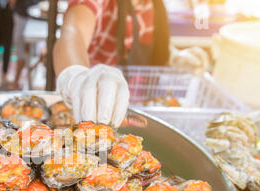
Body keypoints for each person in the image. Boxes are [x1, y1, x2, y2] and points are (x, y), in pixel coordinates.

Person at [53, 0, 208, 127]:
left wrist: (174, 57)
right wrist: (76, 75)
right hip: (91, 111)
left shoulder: (152, 5)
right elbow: (73, 32)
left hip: (136, 112)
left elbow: (145, 42)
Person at [9, 0, 39, 90]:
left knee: (23, 51)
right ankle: (18, 82)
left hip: (28, 14)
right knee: (24, 51)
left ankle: (17, 82)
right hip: (25, 13)